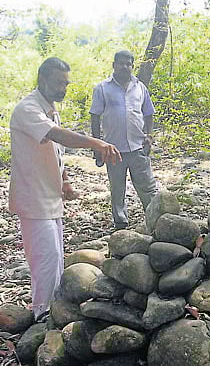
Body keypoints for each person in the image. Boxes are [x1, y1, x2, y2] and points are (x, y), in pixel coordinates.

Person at [9, 57, 121, 322]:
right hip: (33, 199)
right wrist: (97, 143)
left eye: (66, 84)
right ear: (43, 79)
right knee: (45, 260)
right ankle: (42, 314)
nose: (63, 89)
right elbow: (57, 135)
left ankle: (55, 311)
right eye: (59, 83)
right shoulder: (28, 109)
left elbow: (55, 151)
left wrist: (66, 180)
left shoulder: (50, 109)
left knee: (57, 258)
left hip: (51, 197)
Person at [90, 50, 158, 230]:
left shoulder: (140, 87)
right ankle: (120, 224)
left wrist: (149, 136)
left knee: (147, 187)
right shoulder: (102, 88)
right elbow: (95, 116)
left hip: (138, 147)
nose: (124, 67)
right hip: (113, 149)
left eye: (128, 63)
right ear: (114, 65)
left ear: (132, 66)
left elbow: (149, 113)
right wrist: (97, 144)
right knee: (117, 189)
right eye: (121, 63)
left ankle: (154, 220)